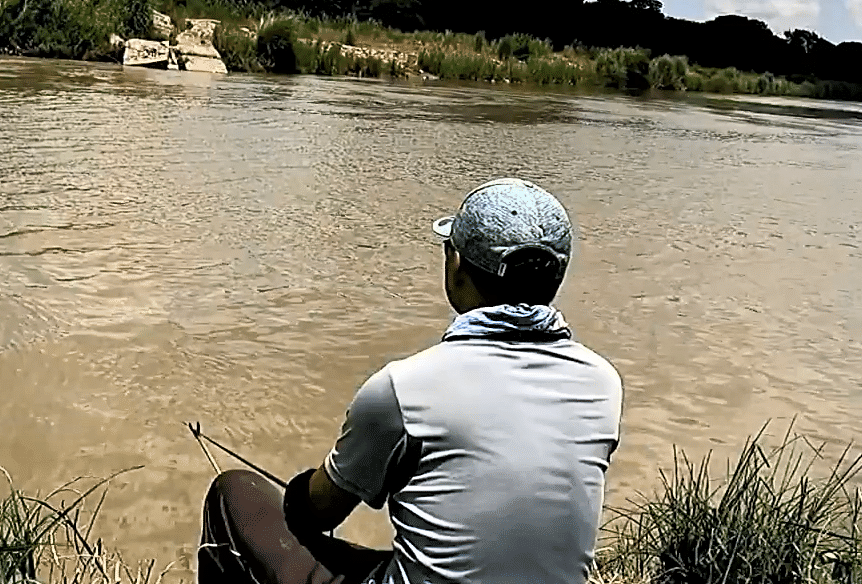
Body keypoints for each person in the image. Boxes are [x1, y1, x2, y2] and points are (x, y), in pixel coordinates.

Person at [197, 178, 624, 584]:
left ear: (455, 263)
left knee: (234, 494)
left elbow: (319, 512)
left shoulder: (406, 388)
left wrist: (297, 495)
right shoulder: (604, 384)